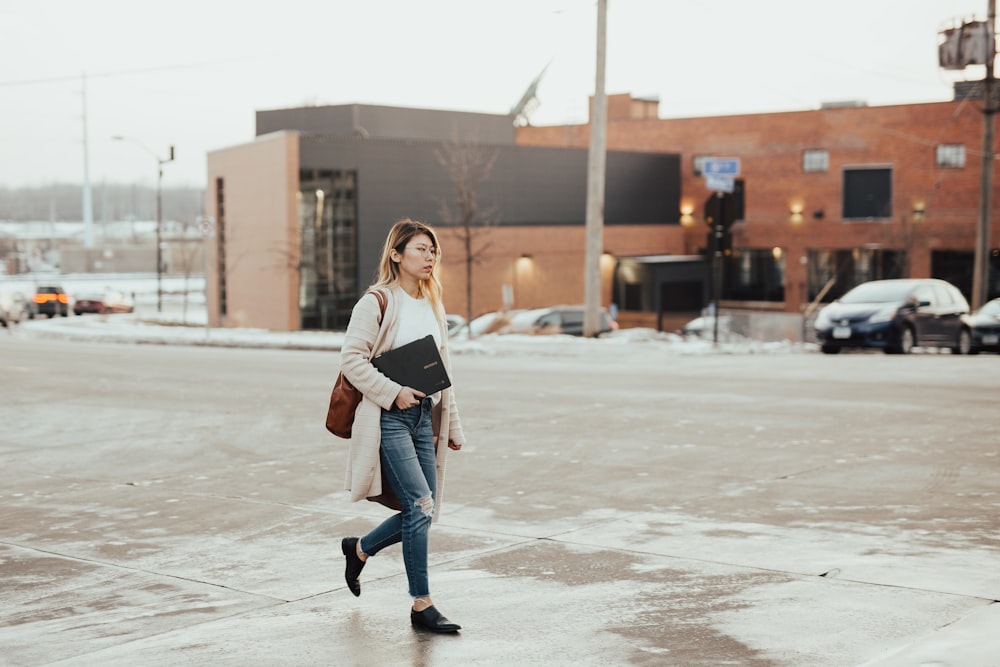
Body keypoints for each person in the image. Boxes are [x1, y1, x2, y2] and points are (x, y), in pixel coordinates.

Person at [338, 218, 467, 633]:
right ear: (396, 254)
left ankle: (359, 549)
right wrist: (393, 392)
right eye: (420, 250)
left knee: (423, 512)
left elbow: (442, 371)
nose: (430, 257)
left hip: (423, 417)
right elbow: (352, 361)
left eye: (433, 251)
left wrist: (453, 426)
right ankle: (421, 605)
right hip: (389, 417)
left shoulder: (433, 303)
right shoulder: (376, 301)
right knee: (420, 505)